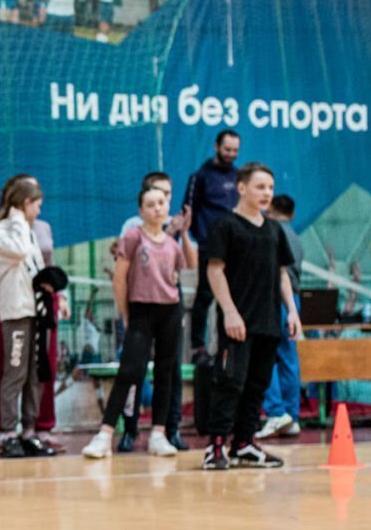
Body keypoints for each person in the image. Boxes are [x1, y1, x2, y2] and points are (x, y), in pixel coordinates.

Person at [81, 176, 193, 460]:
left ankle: (159, 434)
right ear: (141, 210)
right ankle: (104, 435)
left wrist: (184, 232)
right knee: (129, 371)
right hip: (141, 310)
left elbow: (189, 266)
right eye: (151, 204)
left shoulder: (171, 243)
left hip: (170, 311)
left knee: (166, 372)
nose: (157, 208)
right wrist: (126, 313)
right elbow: (120, 279)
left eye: (162, 203)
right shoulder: (133, 237)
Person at [202, 163, 301, 471]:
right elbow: (214, 270)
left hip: (268, 322)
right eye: (260, 187)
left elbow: (282, 274)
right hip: (237, 322)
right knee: (230, 382)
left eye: (270, 187)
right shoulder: (225, 226)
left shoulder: (274, 230)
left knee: (257, 385)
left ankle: (244, 443)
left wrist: (292, 311)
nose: (266, 193)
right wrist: (230, 312)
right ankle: (215, 447)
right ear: (242, 188)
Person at [0, 175, 52, 459]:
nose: (39, 211)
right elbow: (20, 251)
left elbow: (35, 264)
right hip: (15, 312)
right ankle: (7, 433)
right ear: (25, 203)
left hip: (36, 311)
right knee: (15, 374)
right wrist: (17, 220)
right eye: (36, 205)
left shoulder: (27, 230)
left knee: (35, 373)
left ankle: (29, 431)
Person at [181, 129, 242, 358]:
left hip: (235, 247)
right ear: (216, 147)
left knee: (229, 297)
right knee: (205, 295)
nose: (231, 154)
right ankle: (198, 347)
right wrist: (203, 239)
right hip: (210, 246)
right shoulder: (200, 177)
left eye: (235, 150)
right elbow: (189, 211)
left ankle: (226, 345)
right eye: (227, 149)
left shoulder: (238, 176)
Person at [257, 193, 305, 440]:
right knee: (289, 358)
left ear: (270, 209)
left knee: (266, 355)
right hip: (293, 299)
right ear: (293, 214)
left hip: (274, 298)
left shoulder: (270, 233)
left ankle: (276, 412)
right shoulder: (297, 239)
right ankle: (292, 417)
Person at [30, 203, 65, 451]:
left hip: (46, 300)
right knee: (18, 369)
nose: (38, 207)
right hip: (21, 299)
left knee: (47, 364)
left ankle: (43, 427)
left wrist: (59, 296)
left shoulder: (43, 227)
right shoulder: (4, 229)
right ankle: (13, 431)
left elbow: (49, 266)